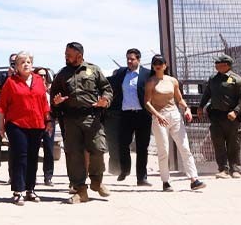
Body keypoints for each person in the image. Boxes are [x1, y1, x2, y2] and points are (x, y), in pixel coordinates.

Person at [50, 42, 114, 203]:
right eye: (65, 54)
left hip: (92, 117)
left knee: (98, 149)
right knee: (74, 155)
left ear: (79, 56)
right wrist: (57, 102)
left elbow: (107, 89)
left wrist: (105, 100)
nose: (66, 57)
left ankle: (97, 181)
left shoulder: (93, 70)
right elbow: (53, 96)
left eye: (69, 55)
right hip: (71, 119)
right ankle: (80, 190)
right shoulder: (62, 74)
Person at [144, 55, 206, 192]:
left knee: (185, 147)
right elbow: (147, 102)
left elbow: (179, 99)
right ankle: (166, 181)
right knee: (164, 150)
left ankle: (194, 179)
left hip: (174, 115)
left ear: (165, 65)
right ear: (153, 66)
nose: (158, 65)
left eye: (160, 63)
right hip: (159, 117)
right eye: (155, 63)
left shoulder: (172, 81)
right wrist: (158, 115)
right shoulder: (151, 82)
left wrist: (187, 108)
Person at [0, 51, 51, 205]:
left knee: (33, 157)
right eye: (22, 62)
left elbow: (44, 103)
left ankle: (30, 189)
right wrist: (1, 125)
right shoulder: (11, 82)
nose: (26, 64)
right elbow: (2, 106)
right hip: (16, 124)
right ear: (16, 66)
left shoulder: (39, 80)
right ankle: (18, 191)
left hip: (37, 124)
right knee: (20, 156)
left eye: (28, 62)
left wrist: (48, 120)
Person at [198, 54, 241, 179]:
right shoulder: (213, 79)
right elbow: (207, 94)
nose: (216, 65)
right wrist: (201, 106)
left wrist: (236, 111)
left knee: (233, 144)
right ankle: (223, 170)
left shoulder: (236, 79)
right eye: (216, 63)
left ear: (226, 65)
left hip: (231, 117)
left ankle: (235, 169)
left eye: (218, 63)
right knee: (218, 144)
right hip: (216, 116)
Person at [106, 48, 152, 186]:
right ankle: (125, 170)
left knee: (142, 147)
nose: (129, 61)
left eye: (132, 59)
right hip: (126, 115)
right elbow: (109, 82)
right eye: (128, 59)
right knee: (123, 144)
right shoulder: (121, 73)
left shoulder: (147, 74)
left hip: (143, 115)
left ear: (138, 59)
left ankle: (141, 178)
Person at [37, 67, 55, 186]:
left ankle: (48, 177)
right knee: (33, 150)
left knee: (49, 150)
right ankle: (32, 177)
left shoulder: (51, 90)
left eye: (44, 75)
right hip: (36, 122)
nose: (42, 77)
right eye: (40, 75)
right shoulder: (32, 88)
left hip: (49, 122)